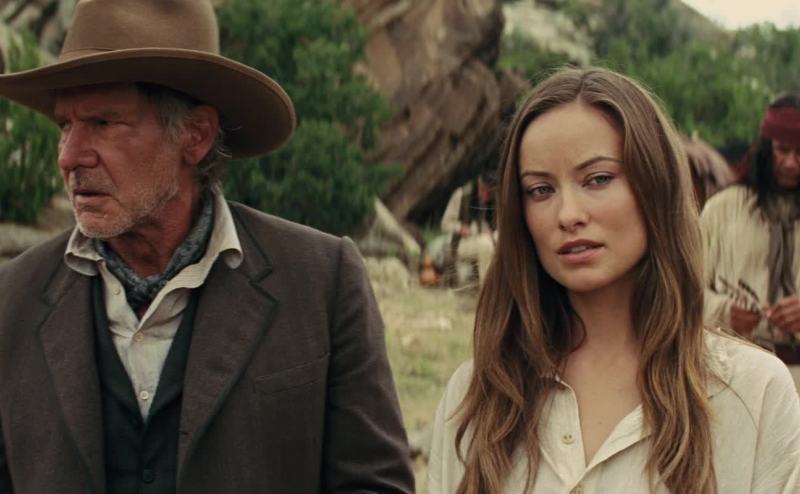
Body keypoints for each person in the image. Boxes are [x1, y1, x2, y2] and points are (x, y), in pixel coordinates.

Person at [0, 1, 414, 492]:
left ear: (195, 136)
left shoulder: (321, 283)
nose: (69, 157)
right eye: (65, 126)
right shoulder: (12, 300)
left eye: (104, 124)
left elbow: (374, 484)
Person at [428, 67, 800, 493]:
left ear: (654, 184)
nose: (568, 214)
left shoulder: (753, 396)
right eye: (540, 190)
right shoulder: (477, 396)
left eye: (598, 179)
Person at [702, 93, 800, 390]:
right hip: (733, 375)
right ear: (765, 149)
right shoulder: (722, 210)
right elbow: (680, 290)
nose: (791, 163)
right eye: (783, 149)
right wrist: (724, 312)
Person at [439, 169, 497, 286]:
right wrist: (460, 228)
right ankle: (487, 289)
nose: (485, 197)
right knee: (485, 244)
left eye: (489, 193)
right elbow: (445, 224)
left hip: (488, 239)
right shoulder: (462, 195)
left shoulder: (496, 198)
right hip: (464, 243)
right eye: (483, 191)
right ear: (479, 183)